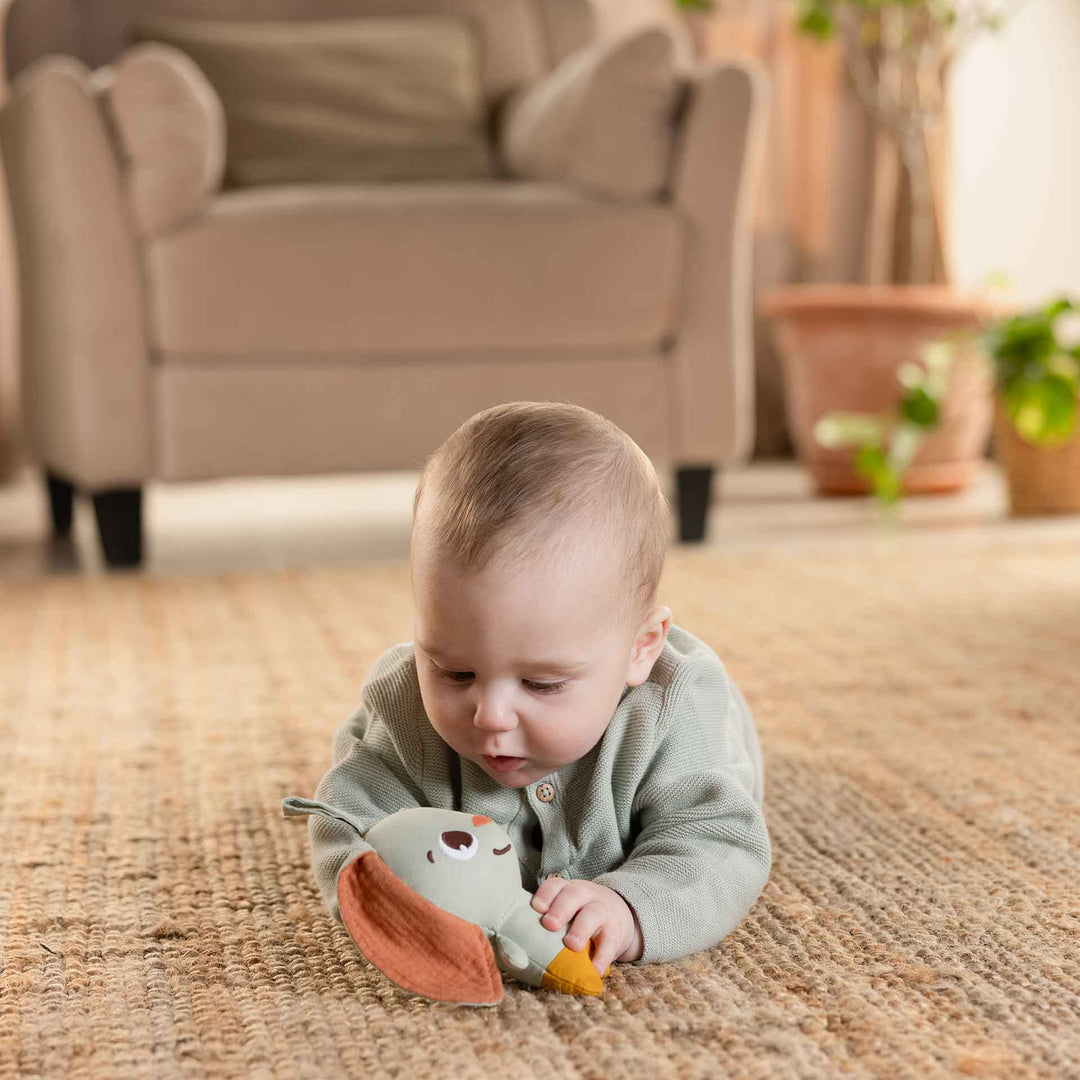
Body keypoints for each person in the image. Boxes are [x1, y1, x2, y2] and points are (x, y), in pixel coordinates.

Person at [282, 401, 771, 977]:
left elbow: (722, 846)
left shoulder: (671, 713)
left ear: (640, 648)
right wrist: (379, 894)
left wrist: (632, 903)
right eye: (454, 671)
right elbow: (346, 817)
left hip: (709, 729)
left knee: (720, 772)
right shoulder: (402, 710)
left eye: (542, 683)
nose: (490, 715)